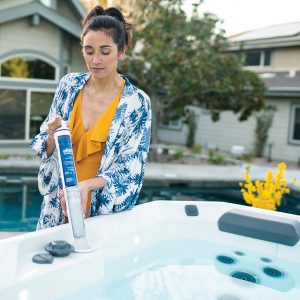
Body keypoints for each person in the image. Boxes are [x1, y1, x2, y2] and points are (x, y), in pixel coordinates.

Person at [31, 6, 151, 230]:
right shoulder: (69, 85)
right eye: (89, 51)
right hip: (57, 205)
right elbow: (44, 143)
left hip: (101, 212)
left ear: (121, 50)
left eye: (105, 51)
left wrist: (86, 187)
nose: (96, 60)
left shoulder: (137, 103)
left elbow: (131, 168)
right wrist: (50, 136)